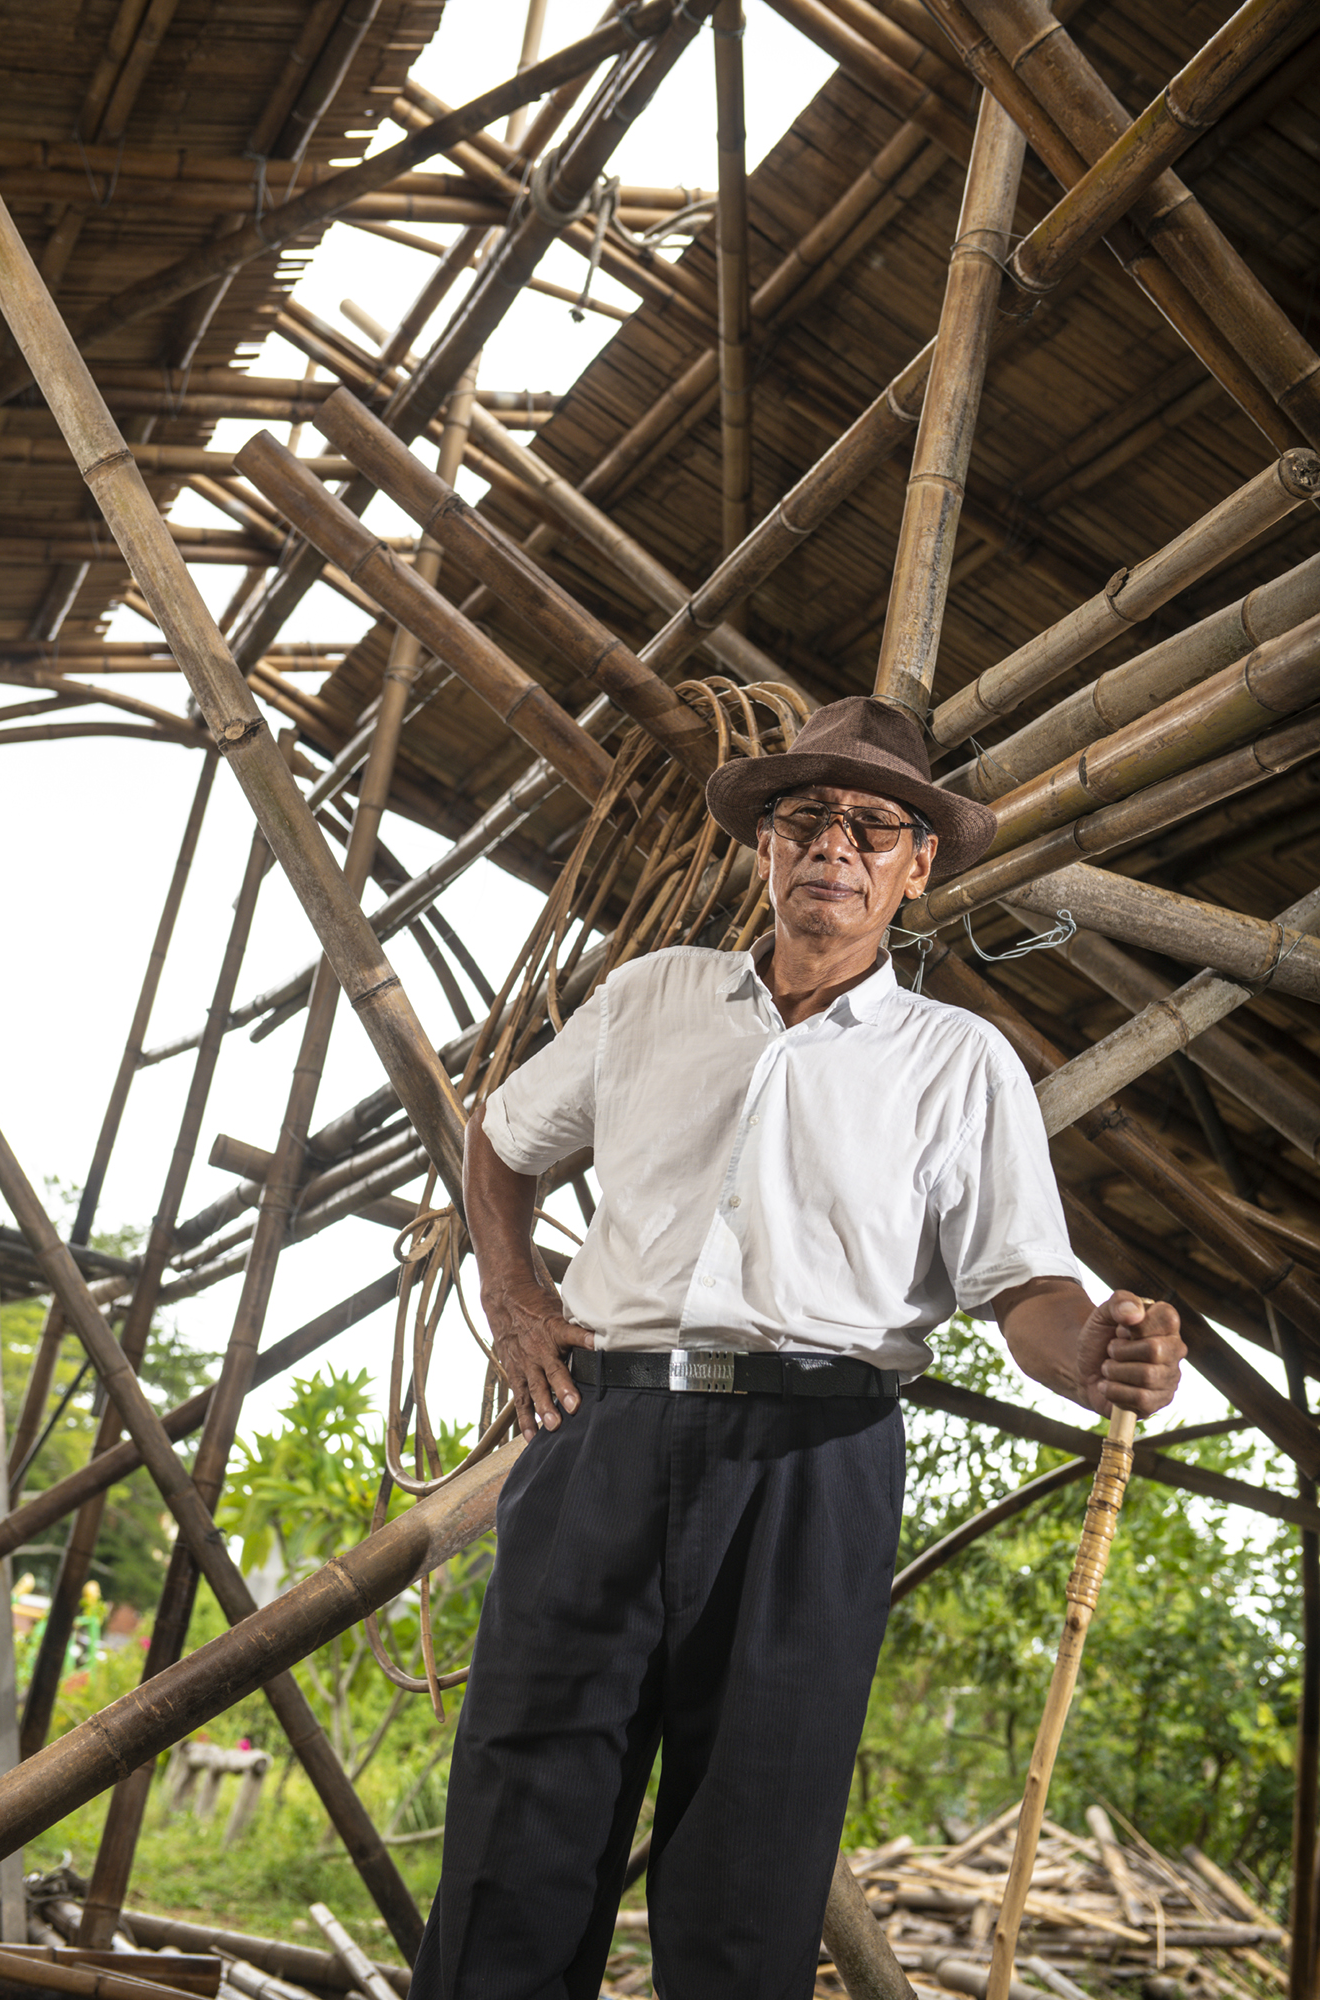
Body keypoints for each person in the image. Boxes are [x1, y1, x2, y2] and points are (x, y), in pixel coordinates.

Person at [408, 696, 1186, 2000]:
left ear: (915, 866)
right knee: (517, 1824)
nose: (834, 845)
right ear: (763, 845)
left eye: (872, 828)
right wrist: (514, 1297)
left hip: (811, 1459)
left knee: (751, 1851)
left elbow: (1025, 1285)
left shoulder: (957, 1062)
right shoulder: (649, 995)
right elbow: (502, 1136)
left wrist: (1097, 1352)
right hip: (600, 1431)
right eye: (806, 818)